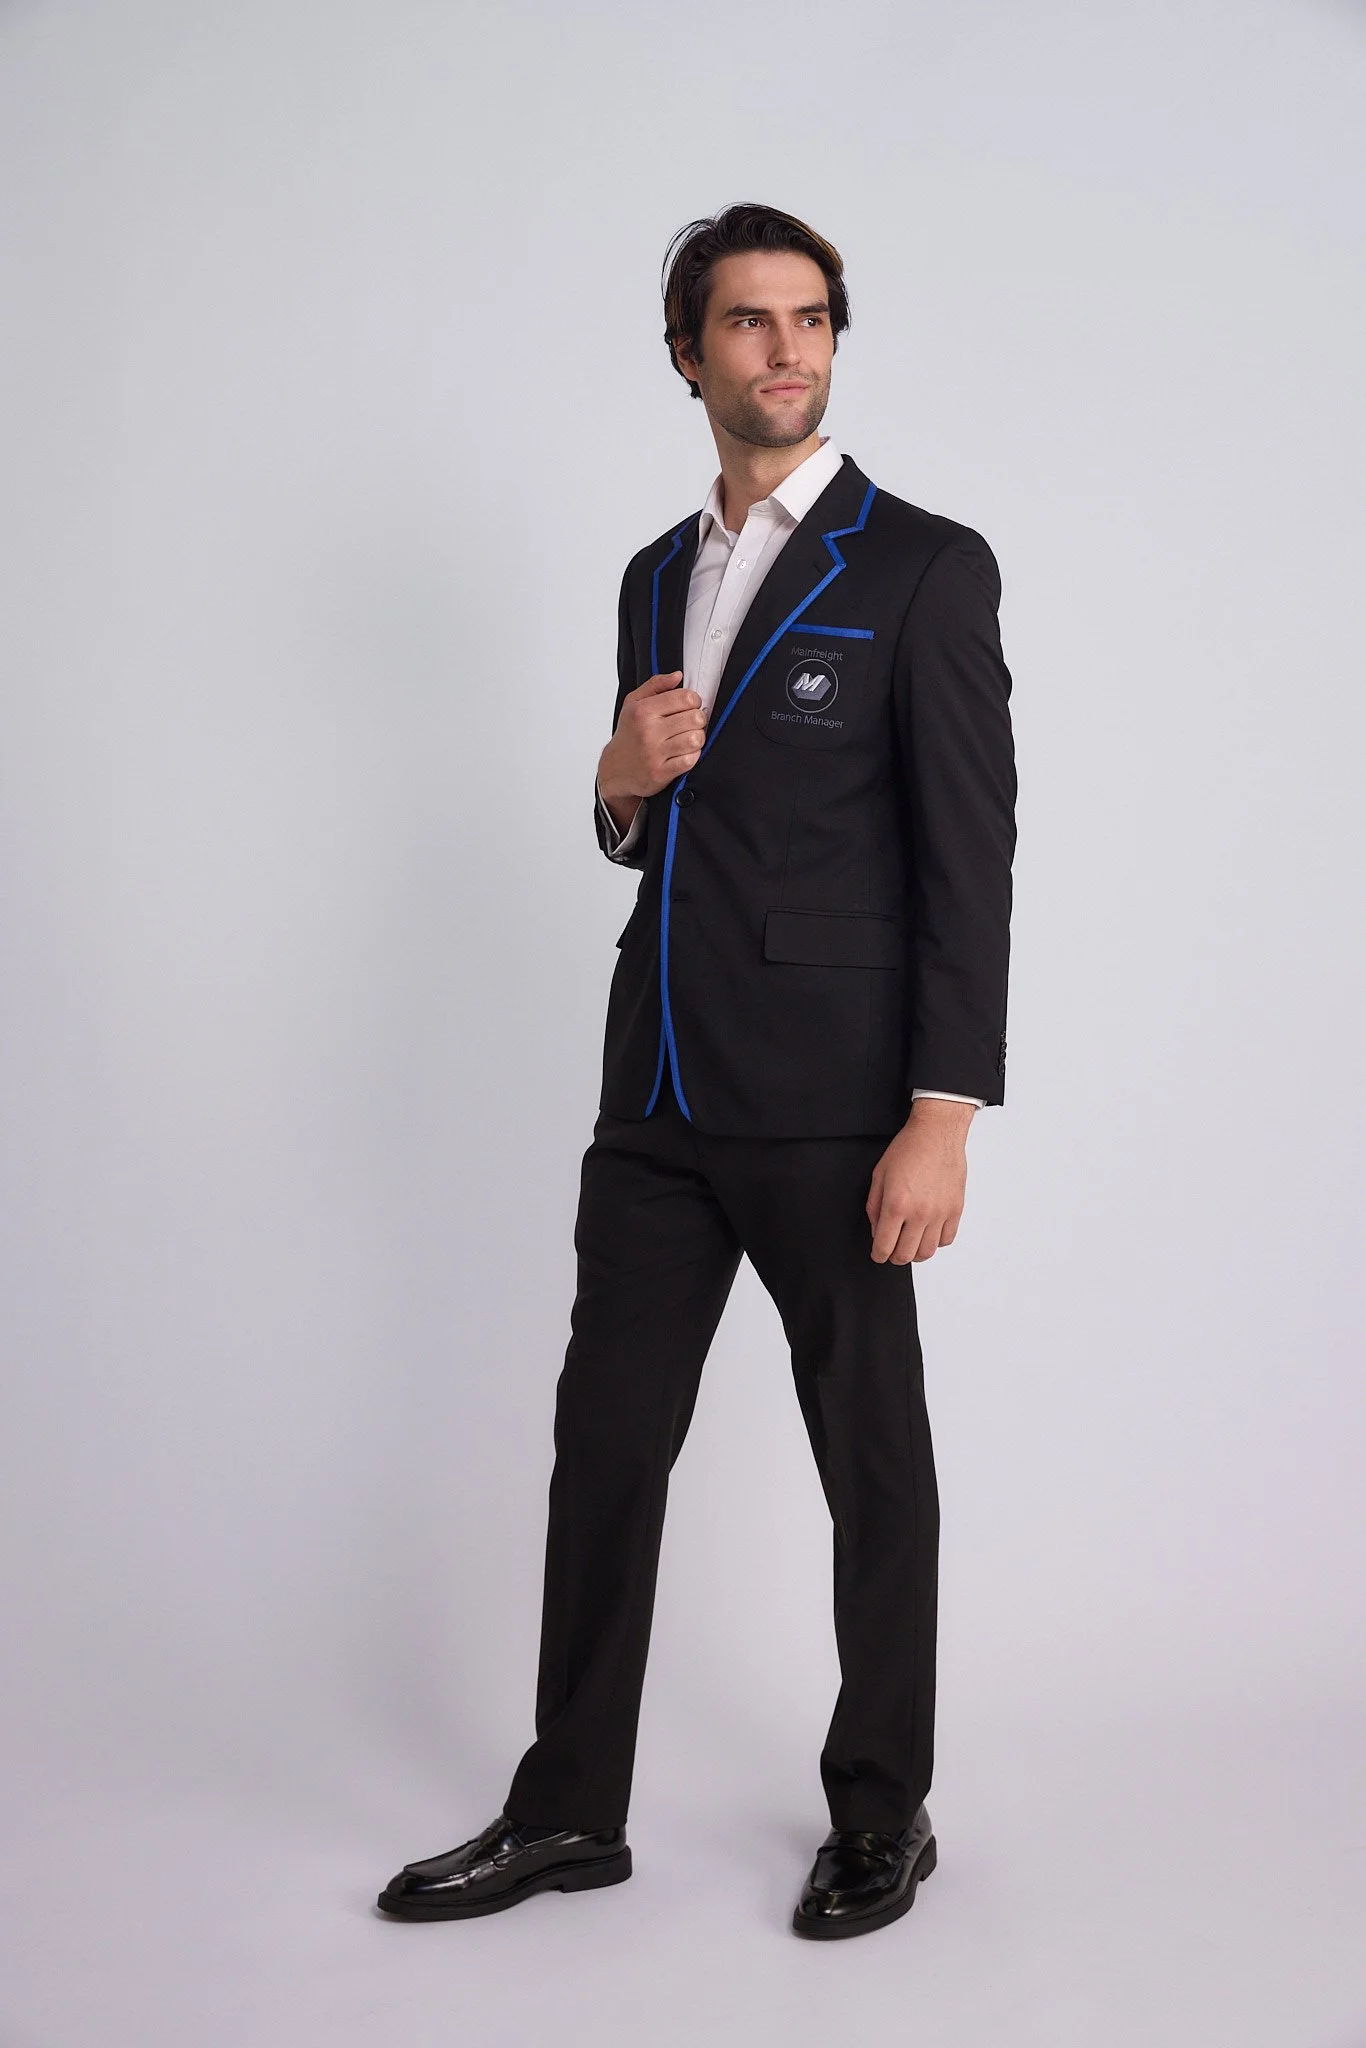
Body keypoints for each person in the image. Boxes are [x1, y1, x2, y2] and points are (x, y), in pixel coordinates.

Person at [378, 202, 1017, 1940]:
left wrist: (940, 1116)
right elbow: (646, 833)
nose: (785, 350)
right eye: (747, 323)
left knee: (869, 1469)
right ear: (688, 354)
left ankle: (884, 1811)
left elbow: (971, 857)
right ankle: (569, 1811)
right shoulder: (656, 571)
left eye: (809, 319)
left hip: (835, 1109)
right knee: (604, 1457)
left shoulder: (919, 566)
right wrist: (612, 772)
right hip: (652, 1099)